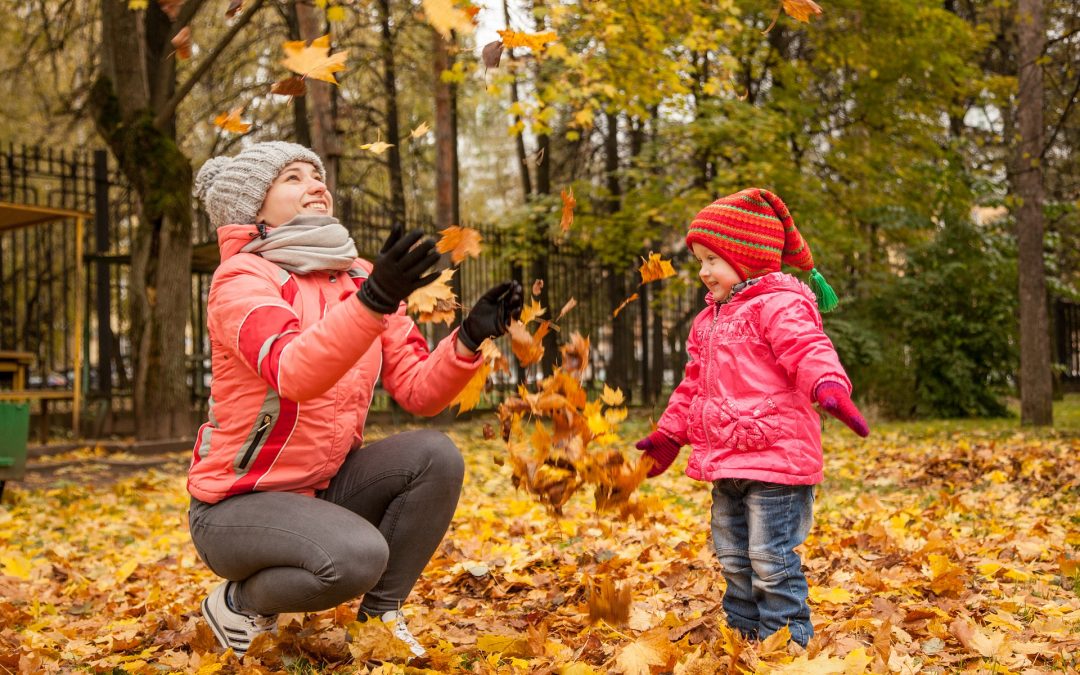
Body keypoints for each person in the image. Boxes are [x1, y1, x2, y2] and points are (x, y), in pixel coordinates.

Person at [186, 141, 523, 658]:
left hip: (321, 490)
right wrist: (372, 303)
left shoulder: (360, 276)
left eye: (316, 175)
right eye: (292, 178)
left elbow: (416, 390)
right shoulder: (242, 280)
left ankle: (380, 619)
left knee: (436, 455)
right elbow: (293, 370)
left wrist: (469, 339)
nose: (315, 185)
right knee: (355, 558)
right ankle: (239, 599)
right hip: (236, 506)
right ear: (253, 207)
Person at [634, 188, 869, 648]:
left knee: (770, 558)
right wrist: (669, 434)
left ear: (747, 257)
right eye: (700, 260)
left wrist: (829, 388)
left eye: (711, 260)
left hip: (777, 463)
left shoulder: (780, 305)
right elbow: (693, 385)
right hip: (727, 461)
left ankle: (786, 643)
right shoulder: (709, 320)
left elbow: (808, 350)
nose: (702, 272)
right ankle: (741, 638)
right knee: (733, 557)